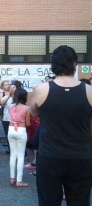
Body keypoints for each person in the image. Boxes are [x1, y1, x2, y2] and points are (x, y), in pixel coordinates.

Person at [30, 45, 92, 206]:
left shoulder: (41, 90)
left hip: (49, 157)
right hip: (81, 157)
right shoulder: (89, 91)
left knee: (48, 202)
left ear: (53, 65)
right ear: (74, 65)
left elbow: (35, 114)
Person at [8, 88, 30, 187]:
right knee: (20, 156)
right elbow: (28, 123)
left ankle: (12, 178)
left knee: (13, 155)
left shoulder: (10, 106)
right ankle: (19, 181)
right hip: (21, 130)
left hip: (11, 129)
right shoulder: (27, 108)